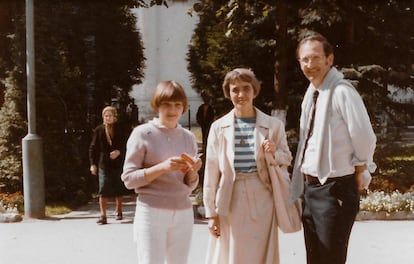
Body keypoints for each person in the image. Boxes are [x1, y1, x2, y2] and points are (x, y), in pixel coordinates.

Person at [290, 32, 377, 264]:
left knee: (331, 259)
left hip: (334, 189)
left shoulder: (341, 92)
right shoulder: (312, 94)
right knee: (315, 259)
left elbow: (365, 138)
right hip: (311, 190)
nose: (310, 65)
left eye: (316, 58)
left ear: (330, 59)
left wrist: (361, 169)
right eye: (304, 60)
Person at [203, 68, 292, 264]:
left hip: (263, 197)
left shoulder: (273, 125)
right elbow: (211, 172)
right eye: (235, 90)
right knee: (233, 253)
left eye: (246, 89)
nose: (241, 94)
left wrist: (274, 152)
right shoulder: (218, 127)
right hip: (230, 197)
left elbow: (287, 157)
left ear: (254, 91)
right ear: (228, 93)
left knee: (261, 254)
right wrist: (211, 214)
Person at [121, 80, 202, 264]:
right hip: (151, 212)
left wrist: (193, 172)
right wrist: (162, 168)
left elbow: (190, 185)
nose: (172, 110)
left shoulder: (188, 138)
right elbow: (128, 179)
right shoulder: (142, 134)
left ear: (183, 107)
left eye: (177, 105)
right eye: (166, 104)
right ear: (157, 105)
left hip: (182, 212)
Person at [89, 106, 129, 225]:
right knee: (103, 188)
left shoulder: (121, 129)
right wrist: (93, 164)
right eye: (106, 116)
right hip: (104, 164)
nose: (108, 118)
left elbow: (128, 144)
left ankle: (119, 210)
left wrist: (119, 152)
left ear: (114, 117)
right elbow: (93, 148)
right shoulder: (99, 130)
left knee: (118, 188)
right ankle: (103, 215)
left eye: (110, 116)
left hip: (118, 163)